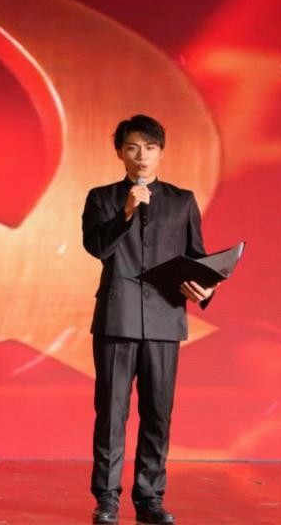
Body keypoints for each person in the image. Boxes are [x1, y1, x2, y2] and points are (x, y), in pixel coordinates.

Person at [82, 115, 218, 524]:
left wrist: (205, 289)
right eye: (132, 148)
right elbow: (97, 247)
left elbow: (197, 259)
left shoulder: (181, 200)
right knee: (112, 412)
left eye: (150, 147)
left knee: (158, 412)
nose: (142, 156)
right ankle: (107, 500)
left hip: (164, 318)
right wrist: (125, 212)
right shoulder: (102, 198)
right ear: (120, 153)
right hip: (117, 318)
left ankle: (150, 499)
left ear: (161, 152)